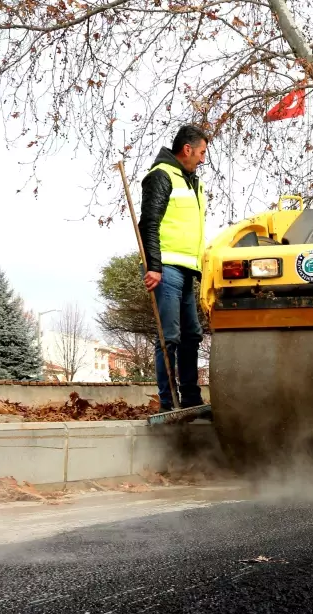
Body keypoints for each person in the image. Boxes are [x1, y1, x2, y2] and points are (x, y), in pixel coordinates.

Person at [139, 125, 209, 411]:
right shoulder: (161, 176)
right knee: (169, 337)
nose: (204, 159)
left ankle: (191, 399)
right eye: (202, 152)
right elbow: (149, 224)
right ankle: (169, 403)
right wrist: (153, 266)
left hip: (187, 269)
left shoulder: (192, 181)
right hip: (166, 269)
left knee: (192, 335)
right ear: (187, 149)